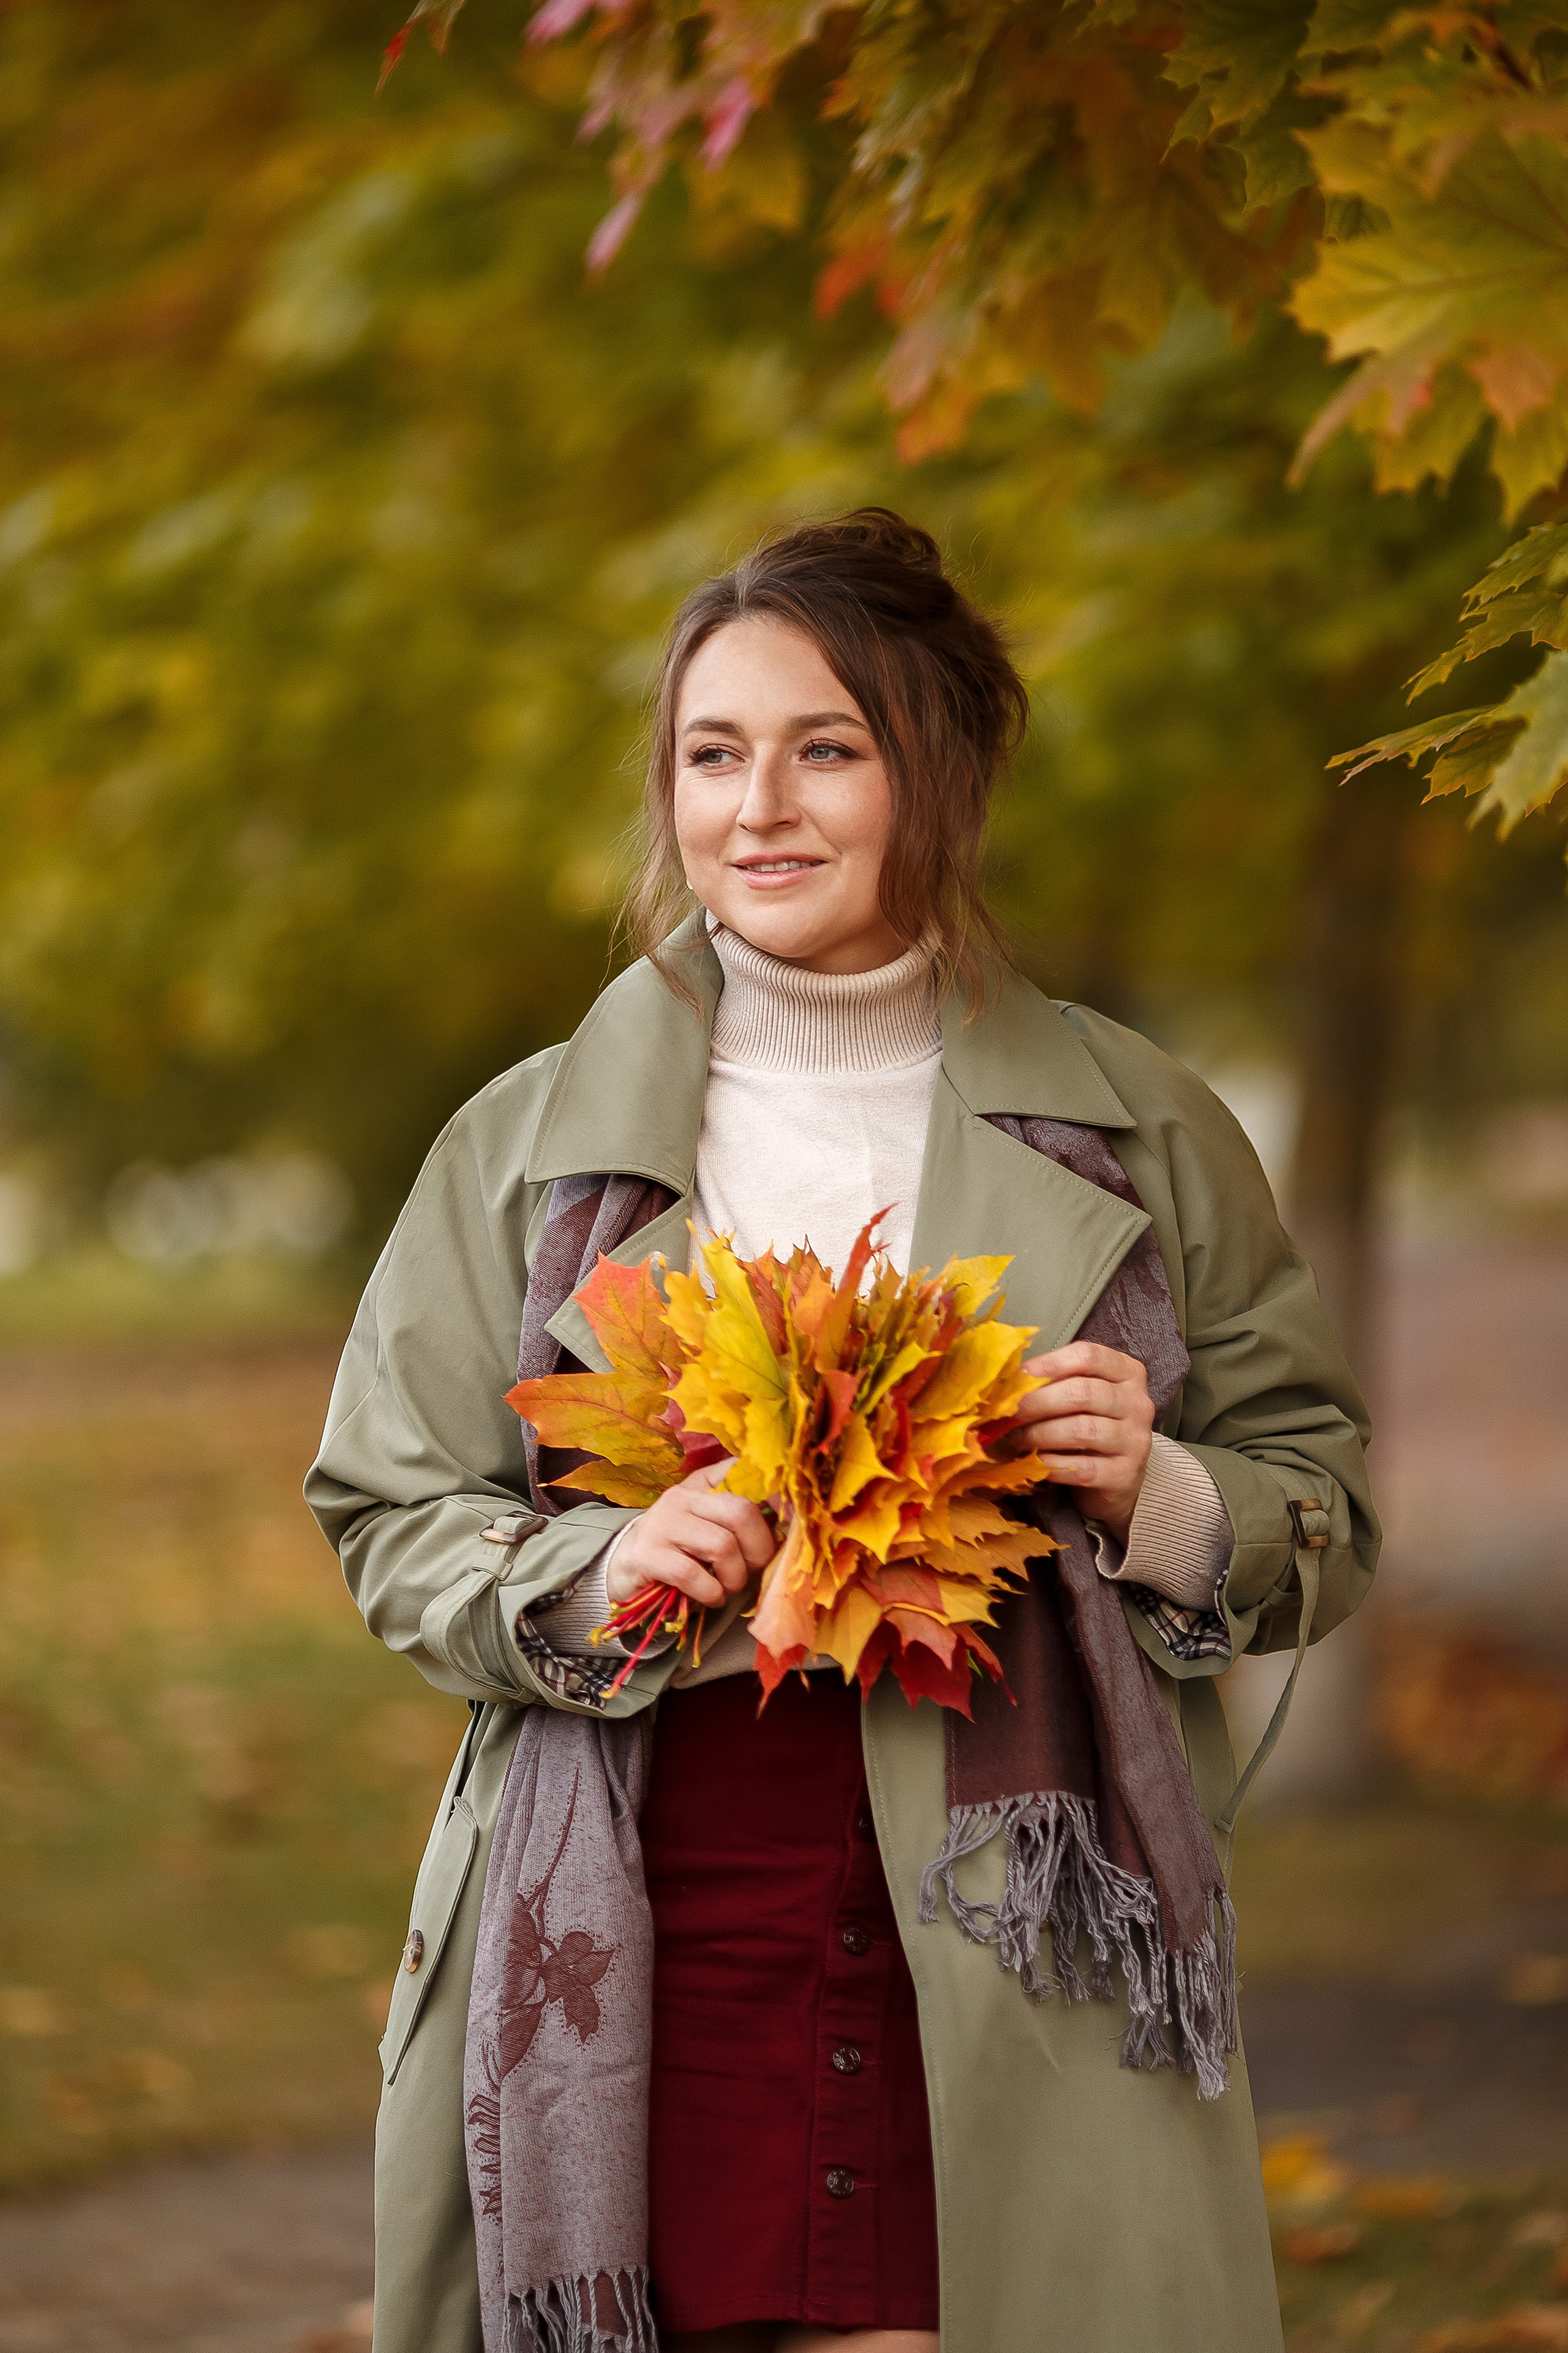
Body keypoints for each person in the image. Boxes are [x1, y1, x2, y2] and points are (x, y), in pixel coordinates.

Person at [306, 509, 1379, 2353]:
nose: (760, 806)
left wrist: (1161, 1486)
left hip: (1010, 1914)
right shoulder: (529, 1140)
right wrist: (594, 1563)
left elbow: (1326, 1505)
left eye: (828, 747)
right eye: (714, 754)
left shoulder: (1142, 1125)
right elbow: (392, 1501)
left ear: (935, 772)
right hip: (650, 1896)